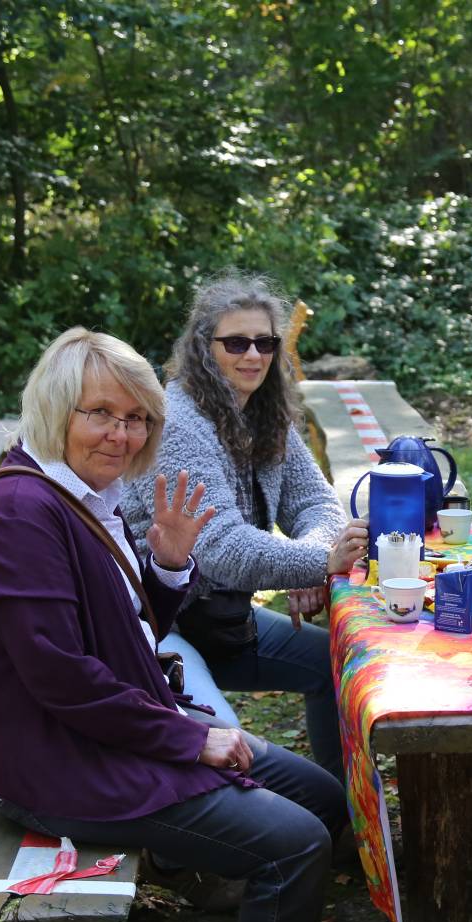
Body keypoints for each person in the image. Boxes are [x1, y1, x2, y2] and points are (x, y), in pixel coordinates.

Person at [0, 327, 345, 922]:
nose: (121, 435)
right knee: (293, 844)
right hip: (63, 765)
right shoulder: (18, 515)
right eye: (100, 413)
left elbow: (122, 634)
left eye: (136, 419)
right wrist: (190, 740)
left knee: (321, 800)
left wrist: (164, 564)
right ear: (55, 411)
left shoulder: (80, 494)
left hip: (112, 732)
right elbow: (62, 678)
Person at [125, 273, 367, 784]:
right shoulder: (177, 426)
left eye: (265, 343)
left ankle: (342, 805)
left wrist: (309, 558)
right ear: (203, 348)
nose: (253, 355)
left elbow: (316, 502)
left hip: (223, 620)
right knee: (231, 757)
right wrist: (320, 562)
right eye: (236, 343)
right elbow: (220, 548)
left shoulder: (264, 413)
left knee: (339, 666)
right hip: (162, 626)